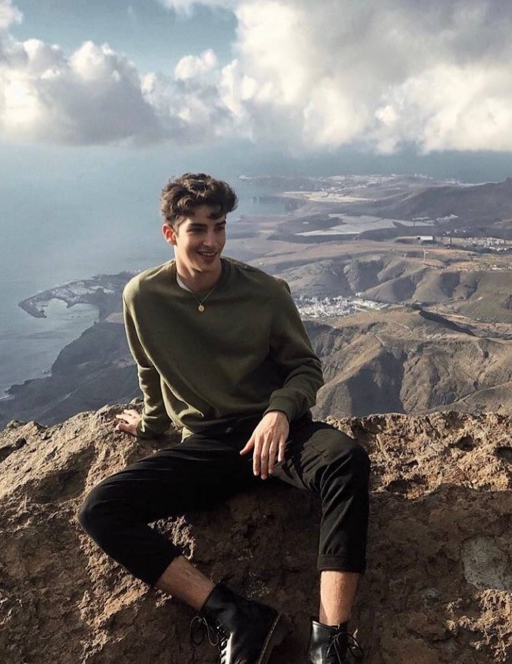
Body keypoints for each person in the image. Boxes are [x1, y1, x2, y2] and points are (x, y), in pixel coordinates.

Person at [78, 172, 370, 664]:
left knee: (346, 460)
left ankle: (330, 643)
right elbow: (150, 369)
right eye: (198, 229)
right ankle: (234, 616)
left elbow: (305, 367)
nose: (211, 241)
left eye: (219, 227)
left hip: (278, 436)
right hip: (209, 446)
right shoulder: (141, 297)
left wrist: (279, 412)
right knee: (99, 510)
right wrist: (150, 426)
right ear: (170, 233)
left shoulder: (265, 292)